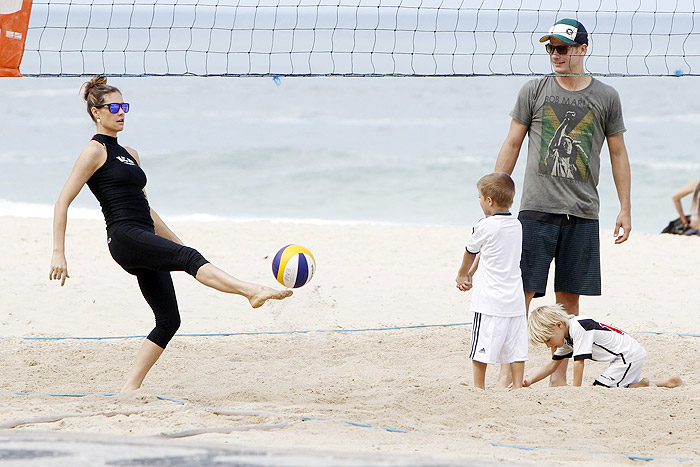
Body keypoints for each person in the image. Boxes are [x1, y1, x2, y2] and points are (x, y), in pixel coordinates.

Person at [50, 77, 293, 392]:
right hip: (124, 237)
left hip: (143, 234)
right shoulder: (94, 151)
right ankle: (251, 292)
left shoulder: (130, 153)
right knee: (190, 260)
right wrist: (59, 252)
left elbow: (148, 210)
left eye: (125, 106)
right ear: (97, 113)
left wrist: (179, 246)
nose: (121, 112)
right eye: (114, 107)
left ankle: (129, 389)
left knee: (169, 320)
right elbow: (62, 201)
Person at [494, 18, 632, 387]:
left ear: (582, 49)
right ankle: (509, 373)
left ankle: (557, 381)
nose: (555, 54)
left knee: (569, 301)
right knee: (520, 297)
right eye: (551, 48)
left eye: (563, 48)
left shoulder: (606, 96)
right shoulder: (534, 90)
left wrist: (625, 208)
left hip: (583, 212)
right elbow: (512, 143)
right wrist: (495, 202)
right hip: (536, 209)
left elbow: (618, 154)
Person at [456, 172, 528, 390]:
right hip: (514, 299)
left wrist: (463, 274)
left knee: (481, 344)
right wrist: (473, 272)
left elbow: (471, 250)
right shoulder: (517, 225)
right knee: (516, 345)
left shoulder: (484, 225)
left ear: (489, 201)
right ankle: (516, 385)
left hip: (489, 300)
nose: (479, 202)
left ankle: (479, 386)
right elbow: (489, 253)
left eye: (479, 197)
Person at [524, 305, 682, 388]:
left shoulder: (578, 326)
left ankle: (655, 383)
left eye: (548, 340)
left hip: (627, 355)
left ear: (559, 325)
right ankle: (665, 382)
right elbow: (552, 365)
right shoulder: (567, 337)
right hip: (623, 357)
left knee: (601, 388)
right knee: (615, 385)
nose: (547, 345)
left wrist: (576, 390)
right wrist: (529, 381)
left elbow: (579, 362)